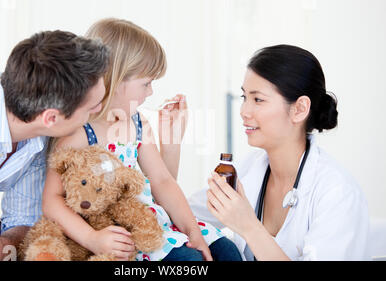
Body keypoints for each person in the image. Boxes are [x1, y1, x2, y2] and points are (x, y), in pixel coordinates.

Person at [42, 18, 242, 261]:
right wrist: (92, 239)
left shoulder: (137, 122)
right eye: (145, 83)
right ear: (113, 80)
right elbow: (52, 202)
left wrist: (191, 230)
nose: (150, 92)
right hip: (118, 234)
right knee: (188, 261)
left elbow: (162, 181)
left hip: (151, 221)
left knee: (226, 250)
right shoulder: (78, 133)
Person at [0, 30, 109, 261]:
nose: (100, 111)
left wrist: (1, 245)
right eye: (92, 108)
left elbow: (26, 227)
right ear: (51, 118)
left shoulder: (37, 135)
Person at [187, 44, 369, 260]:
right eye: (244, 97)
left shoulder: (338, 193)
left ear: (299, 109)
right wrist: (169, 148)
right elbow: (184, 214)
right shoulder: (248, 170)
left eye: (258, 100)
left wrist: (249, 226)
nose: (244, 111)